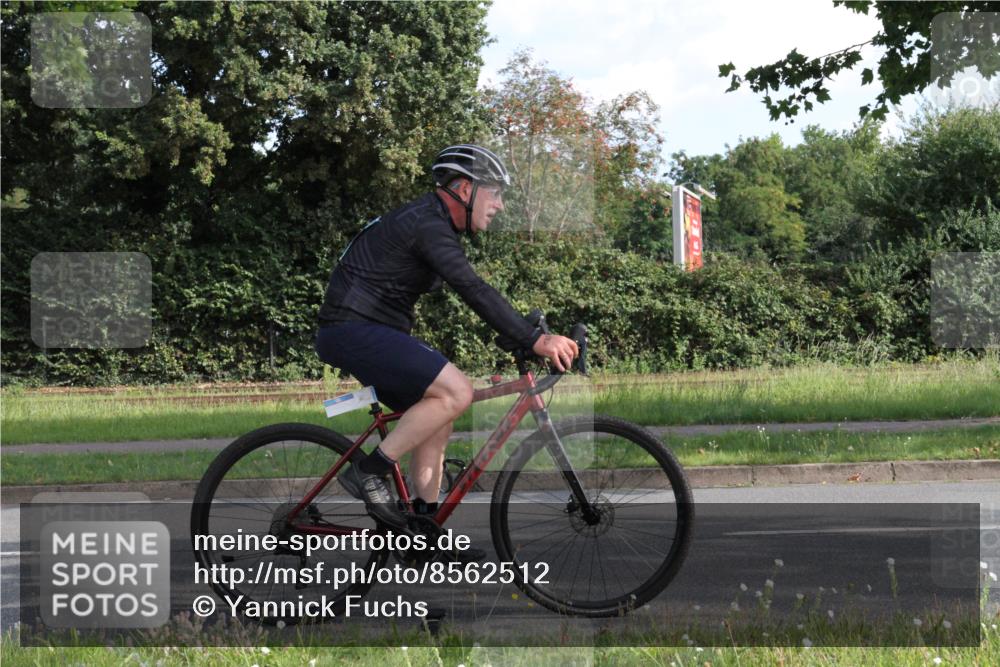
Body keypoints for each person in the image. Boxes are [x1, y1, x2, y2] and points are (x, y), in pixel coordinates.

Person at [315, 144, 578, 535]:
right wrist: (533, 338)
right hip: (352, 329)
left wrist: (521, 335)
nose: (500, 206)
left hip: (368, 329)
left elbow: (471, 291)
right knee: (458, 390)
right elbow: (472, 287)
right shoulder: (427, 224)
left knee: (438, 411)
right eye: (495, 193)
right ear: (466, 190)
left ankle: (424, 528)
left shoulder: (433, 224)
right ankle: (368, 472)